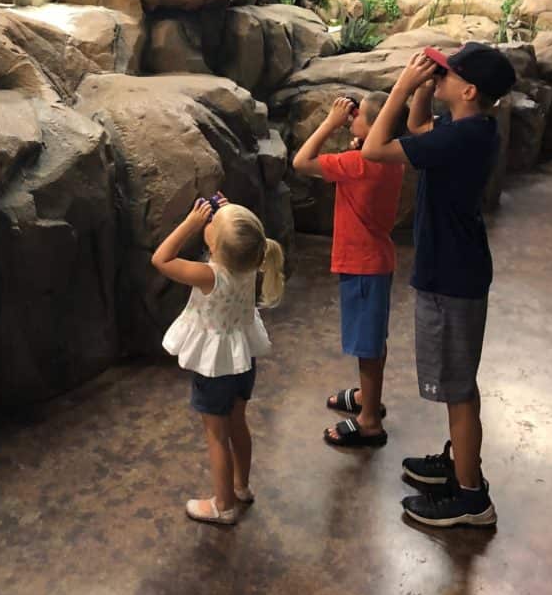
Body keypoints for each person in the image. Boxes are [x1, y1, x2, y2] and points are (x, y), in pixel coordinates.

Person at [362, 43, 516, 528]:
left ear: (468, 90)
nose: (437, 76)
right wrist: (425, 93)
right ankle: (460, 465)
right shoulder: (470, 127)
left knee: (458, 389)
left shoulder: (460, 138)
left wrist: (403, 87)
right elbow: (415, 129)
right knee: (458, 384)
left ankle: (471, 498)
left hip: (451, 276)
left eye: (446, 74)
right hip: (456, 268)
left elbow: (375, 149)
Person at [152, 195, 284, 525]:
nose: (208, 223)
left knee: (216, 435)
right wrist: (227, 213)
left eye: (212, 226)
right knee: (238, 422)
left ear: (216, 246)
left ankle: (222, 505)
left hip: (216, 367)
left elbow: (161, 259)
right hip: (242, 360)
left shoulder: (210, 275)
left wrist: (190, 224)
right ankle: (241, 487)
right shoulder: (253, 259)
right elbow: (241, 238)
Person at [293, 93, 406, 448]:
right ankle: (366, 398)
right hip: (377, 260)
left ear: (373, 129)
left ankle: (370, 420)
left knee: (368, 346)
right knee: (372, 340)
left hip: (361, 264)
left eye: (358, 117)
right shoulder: (392, 158)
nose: (350, 119)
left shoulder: (356, 164)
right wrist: (361, 134)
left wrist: (330, 122)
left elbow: (301, 161)